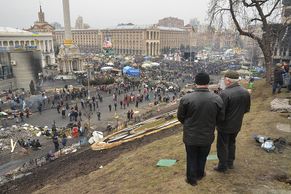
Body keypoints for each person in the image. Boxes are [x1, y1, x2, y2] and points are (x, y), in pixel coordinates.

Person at [177, 72, 224, 186]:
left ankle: (191, 179)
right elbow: (221, 118)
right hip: (207, 134)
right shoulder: (217, 99)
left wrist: (188, 124)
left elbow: (180, 116)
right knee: (203, 156)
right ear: (208, 82)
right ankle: (200, 174)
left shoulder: (186, 98)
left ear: (196, 82)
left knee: (191, 157)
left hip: (191, 135)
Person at [215, 71, 251, 173]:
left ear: (228, 80)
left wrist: (217, 123)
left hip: (225, 125)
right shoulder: (245, 92)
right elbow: (246, 109)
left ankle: (222, 166)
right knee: (232, 143)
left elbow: (221, 112)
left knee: (222, 145)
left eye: (224, 79)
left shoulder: (225, 93)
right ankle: (230, 163)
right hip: (237, 124)